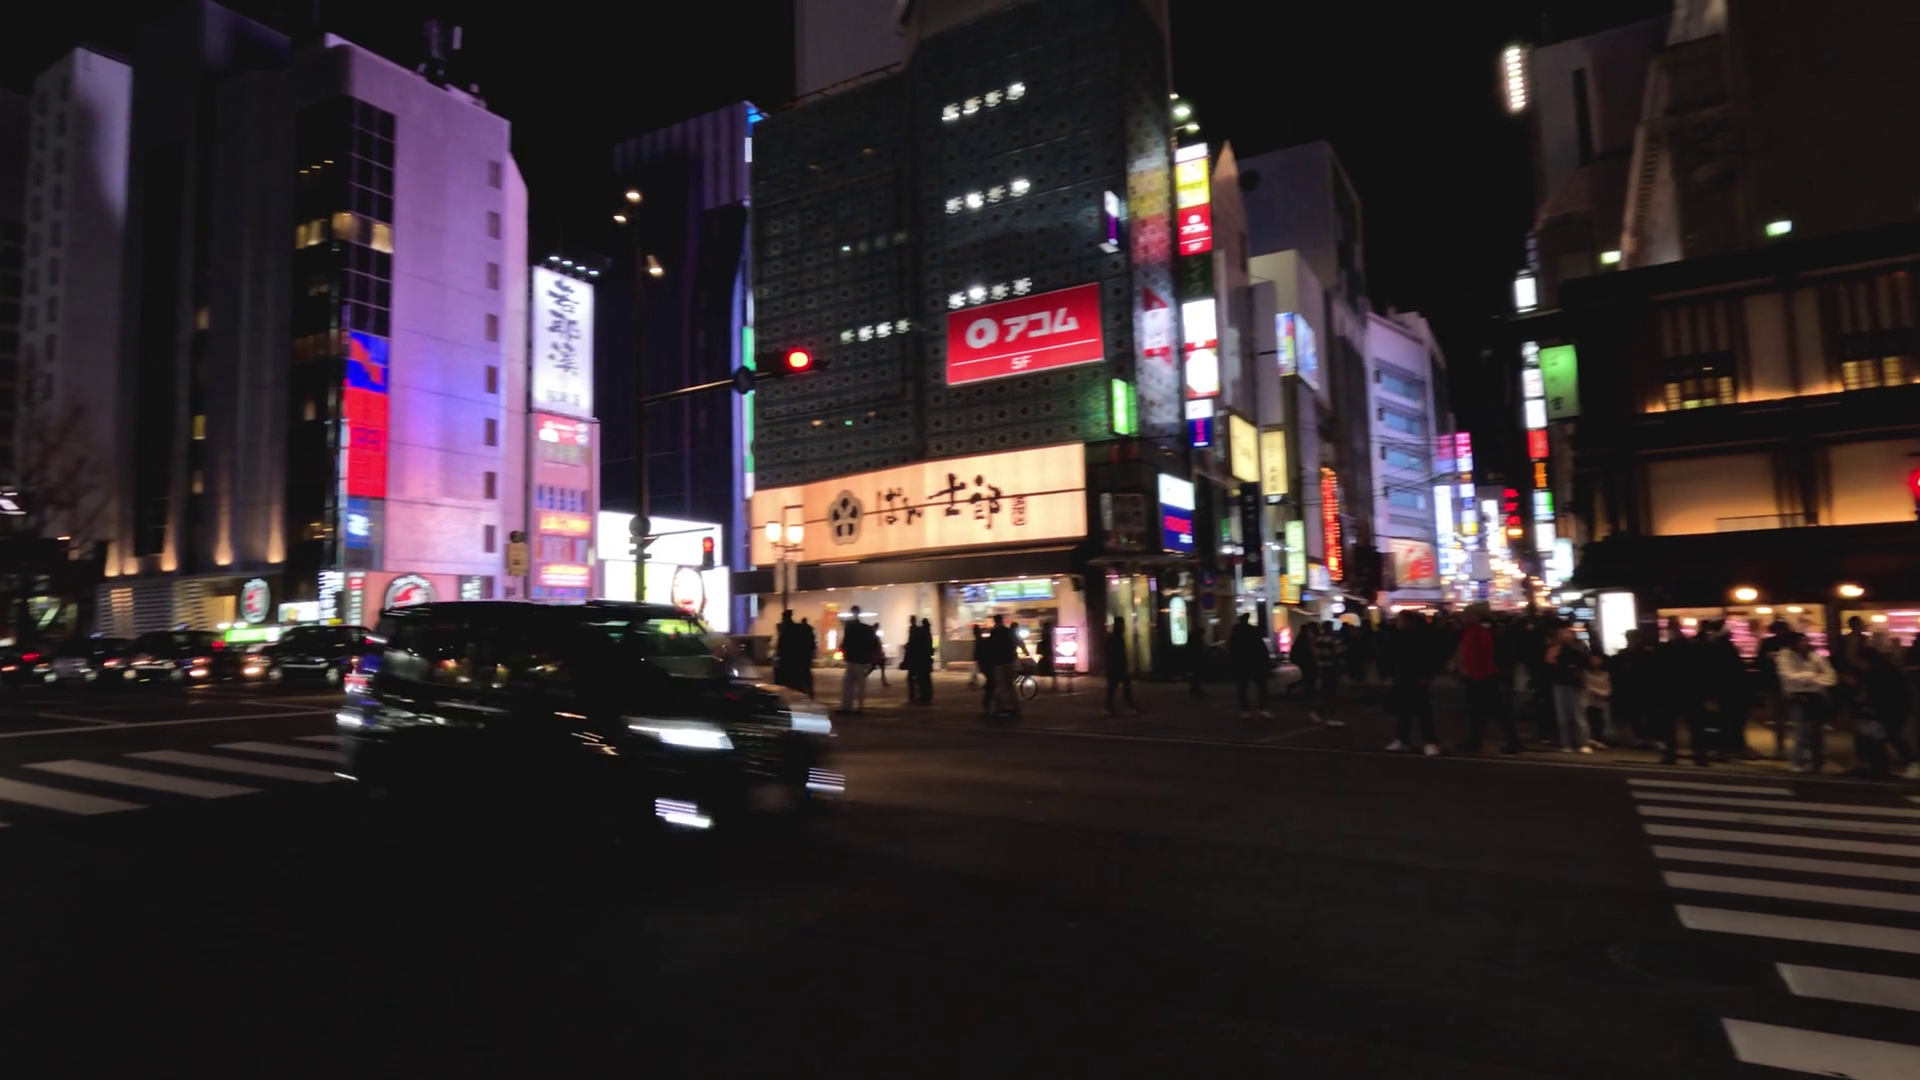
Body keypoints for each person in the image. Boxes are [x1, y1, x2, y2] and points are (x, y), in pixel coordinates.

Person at [1456, 604, 1519, 755]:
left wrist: (1471, 670)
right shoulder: (1475, 631)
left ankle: (1511, 741)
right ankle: (1476, 740)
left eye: (1466, 615)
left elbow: (1482, 654)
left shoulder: (1480, 631)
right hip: (1480, 675)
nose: (1463, 618)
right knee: (1482, 711)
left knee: (1491, 710)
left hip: (1482, 675)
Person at [1776, 632, 1837, 773]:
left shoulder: (1816, 657)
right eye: (1801, 641)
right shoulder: (1785, 656)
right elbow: (1788, 677)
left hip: (1817, 697)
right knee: (1801, 730)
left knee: (1817, 731)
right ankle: (1798, 761)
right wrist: (1812, 676)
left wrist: (1808, 681)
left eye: (1806, 640)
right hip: (1797, 697)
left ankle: (1817, 761)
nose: (1804, 643)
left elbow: (1831, 677)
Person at [1385, 610, 1439, 755]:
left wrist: (1427, 675)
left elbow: (1432, 656)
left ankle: (1427, 741)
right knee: (1407, 710)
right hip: (1404, 676)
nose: (1397, 622)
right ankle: (1404, 739)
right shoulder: (1399, 636)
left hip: (1415, 676)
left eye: (1400, 620)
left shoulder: (1422, 636)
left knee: (1421, 710)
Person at [1547, 625, 1594, 754]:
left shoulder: (1579, 647)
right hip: (1560, 683)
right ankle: (1566, 743)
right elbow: (1550, 662)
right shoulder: (1555, 647)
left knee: (1577, 715)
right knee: (1563, 716)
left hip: (1574, 683)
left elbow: (1585, 659)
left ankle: (1582, 743)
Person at [1228, 613, 1272, 719]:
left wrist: (1233, 663)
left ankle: (1245, 710)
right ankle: (1263, 709)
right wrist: (1265, 661)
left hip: (1242, 663)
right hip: (1255, 662)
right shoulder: (1252, 631)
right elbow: (1261, 648)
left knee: (1243, 687)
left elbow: (1232, 649)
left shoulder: (1236, 633)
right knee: (1261, 686)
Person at [837, 606, 876, 715]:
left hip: (852, 658)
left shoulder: (850, 628)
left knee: (848, 683)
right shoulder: (866, 629)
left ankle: (846, 706)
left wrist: (845, 653)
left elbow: (845, 643)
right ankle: (859, 707)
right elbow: (872, 643)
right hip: (862, 659)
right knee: (860, 684)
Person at [1103, 616, 1139, 715]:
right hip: (1115, 666)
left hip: (1118, 666)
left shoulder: (1117, 637)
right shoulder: (1115, 638)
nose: (1122, 627)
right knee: (1115, 686)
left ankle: (1122, 704)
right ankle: (1122, 704)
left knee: (1116, 686)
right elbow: (1111, 653)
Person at [1037, 620, 1056, 692]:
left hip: (1046, 651)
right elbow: (1049, 643)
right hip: (1048, 651)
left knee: (1047, 661)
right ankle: (1050, 675)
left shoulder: (1044, 633)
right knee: (1049, 663)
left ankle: (1047, 674)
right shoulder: (1048, 634)